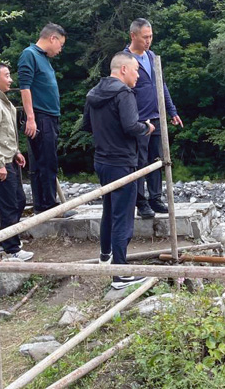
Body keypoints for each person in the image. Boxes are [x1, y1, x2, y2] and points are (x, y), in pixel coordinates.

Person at [82, 52, 155, 289]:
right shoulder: (124, 93)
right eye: (136, 70)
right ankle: (121, 274)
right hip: (122, 162)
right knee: (123, 216)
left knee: (109, 208)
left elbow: (87, 125)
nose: (138, 76)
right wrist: (146, 128)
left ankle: (106, 256)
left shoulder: (93, 93)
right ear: (123, 69)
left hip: (102, 161)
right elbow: (130, 126)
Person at [124, 18, 184, 219]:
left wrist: (172, 111)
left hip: (156, 116)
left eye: (150, 36)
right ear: (133, 36)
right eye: (145, 37)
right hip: (138, 120)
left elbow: (161, 85)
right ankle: (141, 202)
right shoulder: (124, 59)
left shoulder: (151, 56)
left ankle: (155, 198)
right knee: (139, 161)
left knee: (156, 159)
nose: (148, 40)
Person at [18, 23, 74, 216]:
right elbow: (25, 87)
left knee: (47, 161)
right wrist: (30, 118)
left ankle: (45, 204)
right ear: (53, 38)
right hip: (40, 116)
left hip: (49, 116)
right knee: (45, 162)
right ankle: (47, 206)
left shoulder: (43, 58)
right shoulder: (30, 54)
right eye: (61, 44)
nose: (60, 49)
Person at [0, 62, 33, 261]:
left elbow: (5, 132)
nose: (11, 79)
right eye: (7, 75)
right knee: (10, 205)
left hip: (7, 158)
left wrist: (16, 152)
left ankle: (3, 240)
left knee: (18, 200)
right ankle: (12, 249)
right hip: (0, 162)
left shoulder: (0, 100)